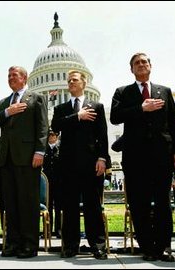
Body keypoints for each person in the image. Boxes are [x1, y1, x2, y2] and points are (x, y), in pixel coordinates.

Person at [110, 52, 175, 262]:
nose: (141, 65)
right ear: (131, 69)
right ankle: (148, 246)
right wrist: (140, 108)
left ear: (150, 66)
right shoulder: (123, 92)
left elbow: (173, 124)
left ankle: (164, 246)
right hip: (135, 157)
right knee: (139, 202)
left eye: (144, 62)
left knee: (163, 202)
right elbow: (115, 117)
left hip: (161, 155)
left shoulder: (164, 91)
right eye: (136, 63)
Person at [0, 65, 48, 258]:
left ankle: (29, 245)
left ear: (25, 78)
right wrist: (8, 112)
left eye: (14, 75)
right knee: (10, 203)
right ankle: (12, 242)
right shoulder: (3, 102)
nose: (10, 78)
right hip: (6, 159)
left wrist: (39, 151)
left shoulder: (36, 98)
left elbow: (43, 127)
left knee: (28, 203)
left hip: (28, 157)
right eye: (8, 75)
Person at [51, 70, 109, 260]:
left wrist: (102, 158)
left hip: (91, 163)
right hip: (68, 164)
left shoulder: (97, 106)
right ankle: (70, 245)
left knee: (93, 205)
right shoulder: (62, 109)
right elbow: (56, 126)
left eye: (74, 80)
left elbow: (102, 135)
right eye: (69, 81)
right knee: (70, 207)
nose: (71, 83)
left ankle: (98, 245)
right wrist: (77, 116)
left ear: (84, 83)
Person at [42, 130, 62, 239]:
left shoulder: (60, 147)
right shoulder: (44, 148)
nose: (50, 137)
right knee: (48, 206)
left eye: (53, 135)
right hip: (47, 181)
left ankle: (59, 229)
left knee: (59, 206)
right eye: (48, 135)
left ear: (57, 136)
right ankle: (47, 230)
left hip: (58, 181)